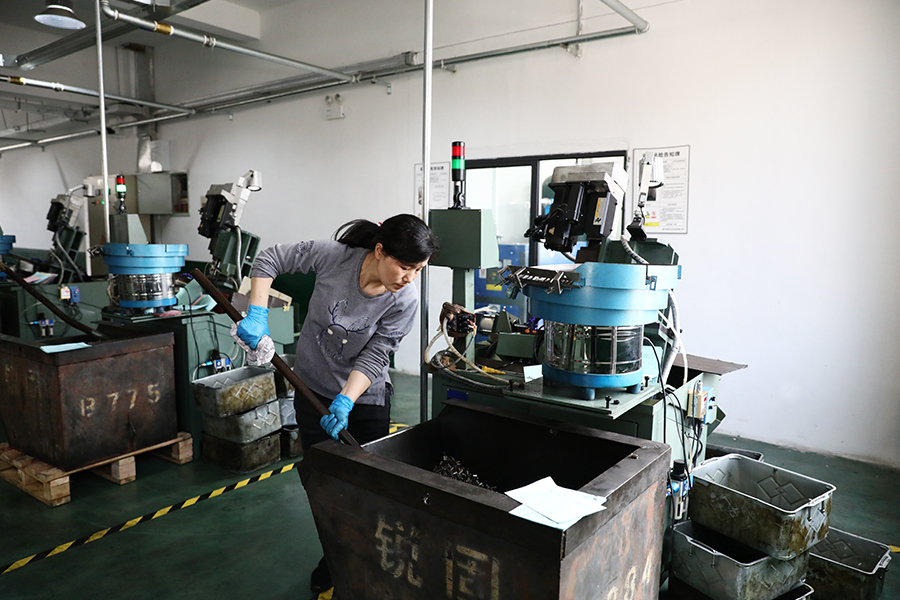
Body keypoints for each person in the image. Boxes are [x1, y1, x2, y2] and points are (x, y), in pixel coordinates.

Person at [233, 213, 439, 594]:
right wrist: (257, 313)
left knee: (367, 489)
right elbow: (269, 258)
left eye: (419, 270)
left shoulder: (405, 300)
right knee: (322, 483)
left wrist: (346, 400)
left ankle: (367, 560)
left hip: (365, 399)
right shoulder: (334, 257)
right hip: (311, 389)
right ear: (380, 251)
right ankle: (335, 555)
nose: (410, 278)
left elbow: (377, 354)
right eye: (405, 267)